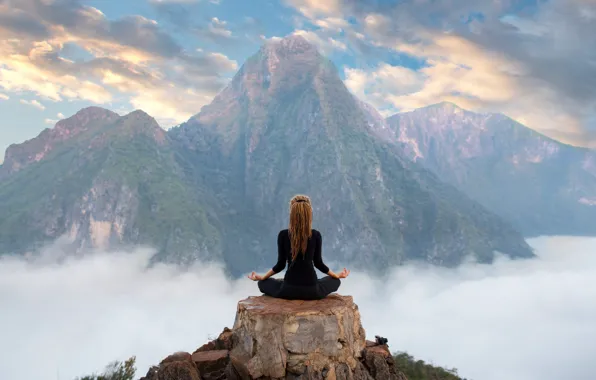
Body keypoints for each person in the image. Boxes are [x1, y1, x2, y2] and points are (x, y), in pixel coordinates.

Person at [247, 194, 350, 300]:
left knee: (262, 283)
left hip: (288, 290)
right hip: (313, 291)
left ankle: (281, 283)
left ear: (292, 214)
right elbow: (319, 263)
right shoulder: (315, 235)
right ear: (309, 214)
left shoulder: (283, 235)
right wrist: (337, 276)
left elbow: (280, 265)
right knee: (335, 281)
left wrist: (263, 277)